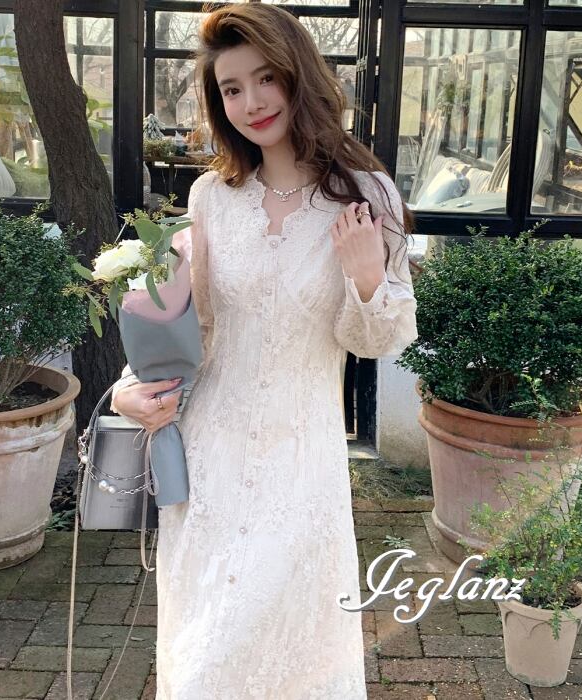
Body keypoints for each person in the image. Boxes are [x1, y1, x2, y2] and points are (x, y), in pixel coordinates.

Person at [110, 4, 418, 698]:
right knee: (205, 657)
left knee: (293, 650)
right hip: (209, 461)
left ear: (297, 74)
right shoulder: (212, 198)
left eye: (265, 78)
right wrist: (131, 388)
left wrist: (367, 275)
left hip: (302, 468)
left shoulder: (364, 195)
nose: (251, 101)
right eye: (231, 88)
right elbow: (193, 325)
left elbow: (378, 339)